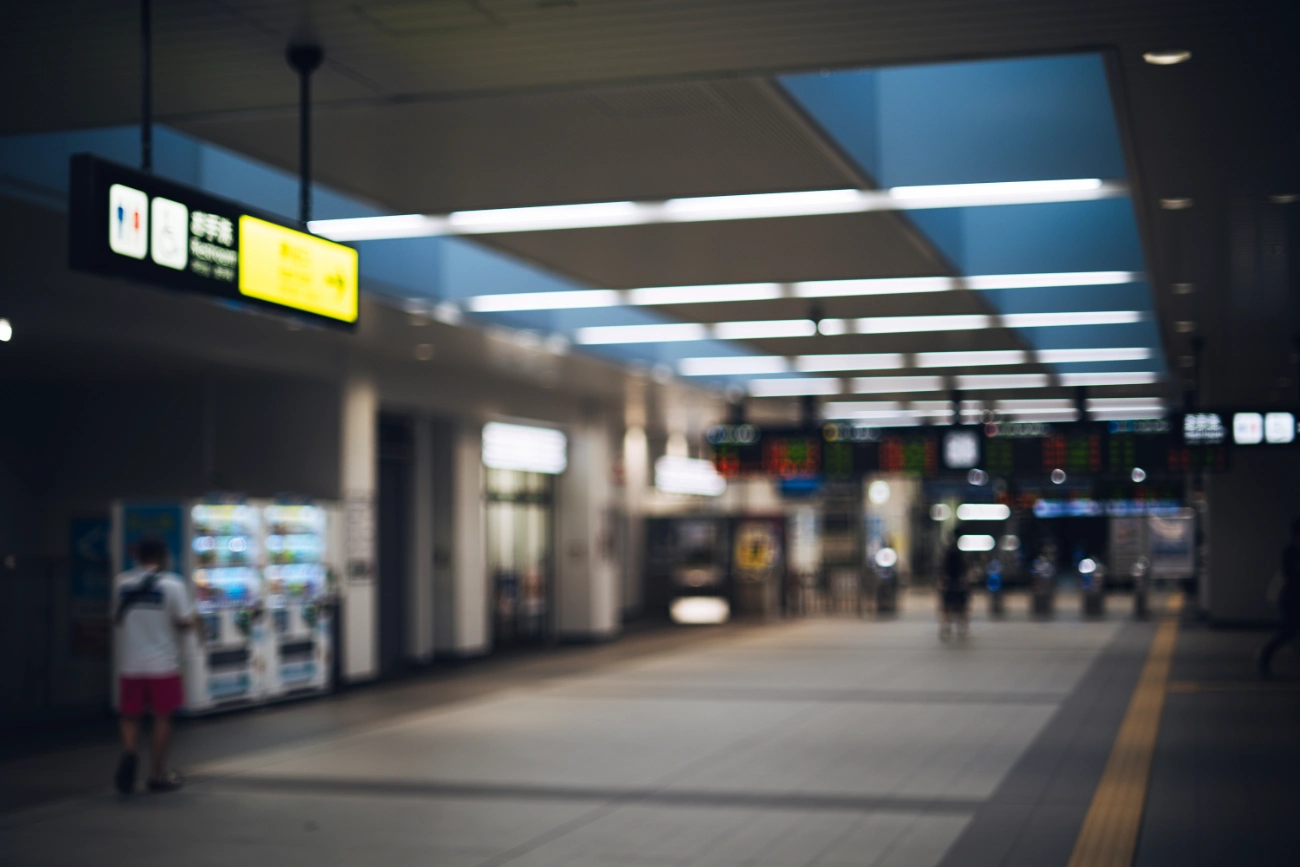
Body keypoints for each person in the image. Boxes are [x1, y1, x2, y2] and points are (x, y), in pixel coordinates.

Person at [111, 538, 195, 794]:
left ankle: (129, 752)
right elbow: (184, 622)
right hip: (163, 664)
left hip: (130, 664)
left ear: (137, 556)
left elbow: (116, 619)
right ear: (163, 556)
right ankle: (157, 775)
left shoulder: (121, 583)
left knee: (130, 715)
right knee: (162, 717)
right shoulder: (173, 584)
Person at [1259, 518, 1300, 678]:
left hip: (1293, 598)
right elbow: (1290, 576)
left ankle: (1265, 657)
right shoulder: (1290, 552)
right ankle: (1265, 657)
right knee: (1287, 633)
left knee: (1288, 633)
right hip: (1291, 600)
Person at [939, 539, 970, 641]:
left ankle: (947, 625)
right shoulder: (961, 556)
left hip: (949, 583)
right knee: (961, 606)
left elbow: (942, 569)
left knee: (947, 606)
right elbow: (965, 569)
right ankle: (961, 625)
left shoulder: (947, 555)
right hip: (959, 583)